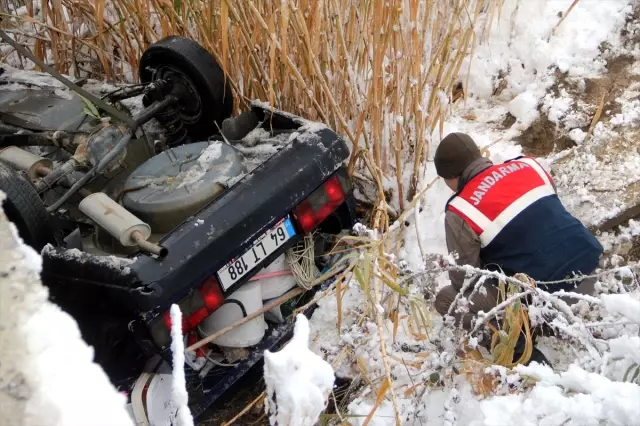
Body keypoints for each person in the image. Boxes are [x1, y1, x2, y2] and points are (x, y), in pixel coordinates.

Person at [433, 132, 603, 365]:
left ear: (451, 176)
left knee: (447, 301)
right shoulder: (528, 165)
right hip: (591, 268)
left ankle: (520, 352)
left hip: (550, 297)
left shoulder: (461, 210)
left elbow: (466, 282)